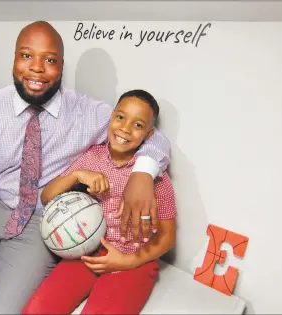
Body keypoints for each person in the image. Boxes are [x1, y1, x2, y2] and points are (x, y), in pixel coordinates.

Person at [0, 21, 171, 314]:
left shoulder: (89, 113)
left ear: (61, 66)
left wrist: (142, 174)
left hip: (43, 223)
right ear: (14, 59)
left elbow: (155, 137)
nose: (37, 68)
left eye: (49, 60)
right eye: (26, 56)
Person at [23, 89, 177, 315]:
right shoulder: (92, 157)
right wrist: (77, 175)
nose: (125, 128)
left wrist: (127, 262)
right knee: (35, 311)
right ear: (111, 116)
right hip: (89, 251)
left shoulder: (155, 178)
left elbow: (168, 236)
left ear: (149, 134)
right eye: (121, 117)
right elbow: (47, 196)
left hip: (133, 261)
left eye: (138, 125)